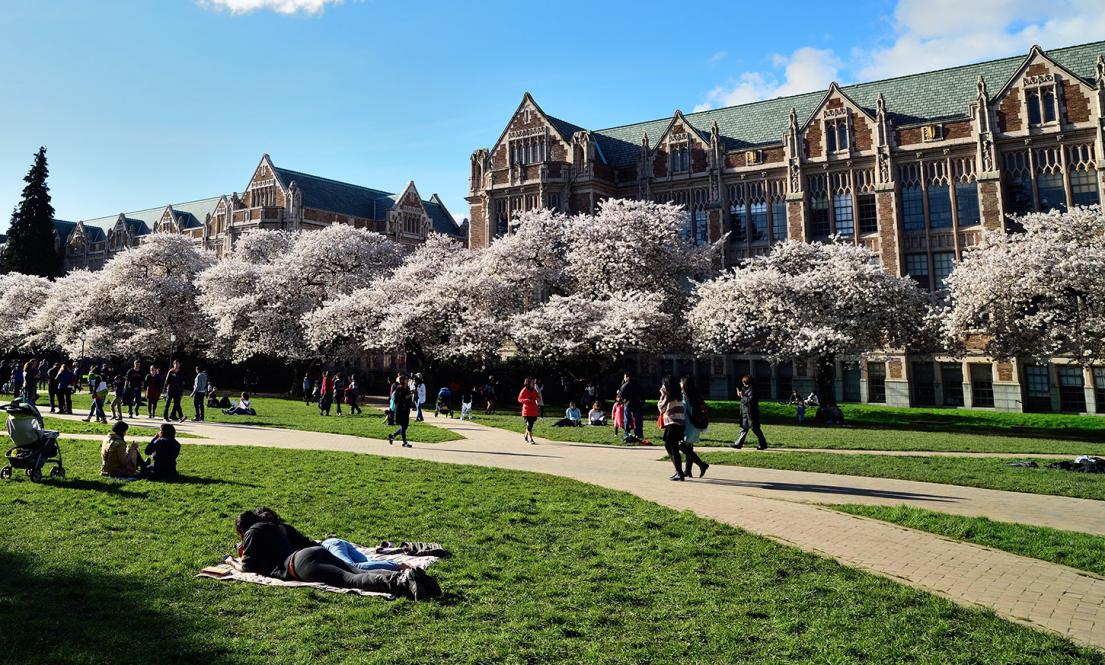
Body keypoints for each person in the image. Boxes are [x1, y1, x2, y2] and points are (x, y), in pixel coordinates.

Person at [230, 509, 440, 600]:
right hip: (314, 552)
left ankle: (403, 581)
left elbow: (248, 567)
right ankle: (411, 577)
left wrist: (232, 561)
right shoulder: (278, 527)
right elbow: (309, 542)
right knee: (356, 570)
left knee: (351, 580)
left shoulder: (252, 533)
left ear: (243, 529)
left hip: (298, 564)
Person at [680, 375, 709, 478]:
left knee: (683, 447)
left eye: (681, 383)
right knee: (689, 448)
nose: (680, 384)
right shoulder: (695, 395)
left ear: (684, 385)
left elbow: (684, 410)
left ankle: (702, 465)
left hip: (689, 426)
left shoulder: (686, 397)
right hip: (695, 425)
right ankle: (688, 470)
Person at [658, 376, 687, 481]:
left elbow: (661, 408)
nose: (662, 387)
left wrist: (662, 395)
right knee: (669, 446)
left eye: (663, 385)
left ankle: (679, 472)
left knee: (673, 448)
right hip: (679, 424)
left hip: (672, 424)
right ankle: (678, 470)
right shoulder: (678, 395)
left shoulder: (669, 396)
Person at [733, 374, 768, 450]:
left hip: (751, 413)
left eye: (744, 382)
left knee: (755, 429)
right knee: (743, 428)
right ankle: (738, 443)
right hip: (745, 413)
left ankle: (763, 444)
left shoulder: (753, 389)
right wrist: (741, 395)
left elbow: (750, 401)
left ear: (747, 382)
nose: (743, 384)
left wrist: (742, 396)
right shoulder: (745, 389)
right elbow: (745, 398)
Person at [387, 372, 413, 448]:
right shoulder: (399, 388)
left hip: (406, 409)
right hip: (400, 410)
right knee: (403, 426)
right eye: (406, 379)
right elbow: (401, 398)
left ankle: (392, 436)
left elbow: (408, 399)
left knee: (404, 427)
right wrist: (410, 395)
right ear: (402, 380)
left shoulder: (407, 388)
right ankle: (404, 443)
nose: (407, 380)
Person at [619, 371, 643, 443]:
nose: (624, 378)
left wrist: (622, 400)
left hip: (628, 403)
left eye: (625, 377)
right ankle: (639, 434)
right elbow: (641, 392)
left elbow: (621, 395)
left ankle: (627, 434)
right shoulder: (637, 384)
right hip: (637, 403)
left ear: (627, 377)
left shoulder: (625, 385)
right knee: (638, 420)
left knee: (627, 420)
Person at [517, 377, 540, 444]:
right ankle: (531, 439)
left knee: (530, 426)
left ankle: (525, 435)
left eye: (533, 382)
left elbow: (537, 396)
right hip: (526, 411)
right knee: (529, 425)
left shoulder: (534, 390)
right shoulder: (524, 390)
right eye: (532, 382)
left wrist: (538, 399)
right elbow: (519, 399)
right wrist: (526, 400)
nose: (533, 383)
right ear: (528, 383)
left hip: (533, 411)